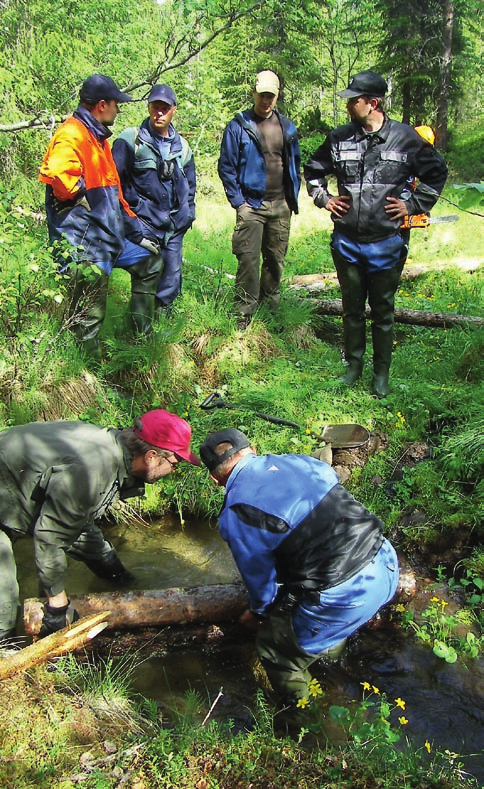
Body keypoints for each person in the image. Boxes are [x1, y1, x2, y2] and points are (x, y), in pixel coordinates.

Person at [199, 428, 399, 706]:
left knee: (275, 651)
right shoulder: (299, 461)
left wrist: (259, 614)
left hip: (344, 595)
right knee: (314, 617)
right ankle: (328, 656)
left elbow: (260, 581)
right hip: (386, 561)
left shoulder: (236, 512)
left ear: (215, 478)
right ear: (252, 448)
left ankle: (307, 720)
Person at [304, 71, 448, 397]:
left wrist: (413, 204)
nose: (348, 105)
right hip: (347, 243)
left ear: (373, 103)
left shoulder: (406, 138)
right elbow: (313, 170)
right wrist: (325, 199)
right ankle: (354, 367)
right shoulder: (339, 137)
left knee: (382, 312)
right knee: (351, 309)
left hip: (387, 242)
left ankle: (381, 374)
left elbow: (436, 173)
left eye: (354, 100)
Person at [0, 409, 200, 642]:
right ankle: (7, 651)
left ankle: (121, 580)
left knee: (95, 548)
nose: (173, 471)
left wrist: (124, 581)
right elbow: (50, 538)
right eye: (174, 464)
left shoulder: (115, 452)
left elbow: (73, 521)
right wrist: (56, 607)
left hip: (23, 483)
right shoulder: (91, 472)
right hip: (6, 492)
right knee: (4, 594)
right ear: (152, 456)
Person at [39, 74, 163, 360]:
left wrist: (137, 232)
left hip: (111, 238)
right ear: (102, 105)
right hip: (86, 245)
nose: (118, 109)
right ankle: (90, 372)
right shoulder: (72, 134)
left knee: (151, 262)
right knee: (89, 314)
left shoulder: (100, 141)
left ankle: (140, 334)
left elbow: (116, 198)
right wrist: (82, 201)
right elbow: (59, 176)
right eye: (116, 104)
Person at [218, 70, 301, 327]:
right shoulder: (238, 126)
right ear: (253, 93)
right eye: (262, 94)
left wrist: (291, 199)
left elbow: (294, 165)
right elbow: (226, 166)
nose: (266, 100)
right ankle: (243, 315)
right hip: (250, 206)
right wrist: (239, 203)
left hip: (280, 205)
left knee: (275, 261)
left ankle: (270, 313)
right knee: (248, 261)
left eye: (271, 96)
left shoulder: (287, 128)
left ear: (277, 97)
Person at [113, 84, 196, 318]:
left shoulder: (183, 147)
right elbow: (114, 183)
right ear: (149, 108)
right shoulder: (131, 140)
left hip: (173, 225)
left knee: (171, 276)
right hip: (143, 222)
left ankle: (162, 322)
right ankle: (140, 327)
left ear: (173, 111)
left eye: (164, 108)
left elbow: (190, 183)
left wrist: (188, 212)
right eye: (155, 107)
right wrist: (130, 223)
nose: (159, 113)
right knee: (147, 274)